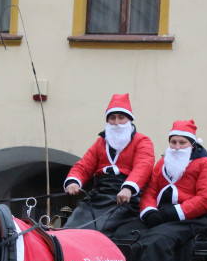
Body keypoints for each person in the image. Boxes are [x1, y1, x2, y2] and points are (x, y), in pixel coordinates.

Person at [114, 120, 207, 261]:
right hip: (164, 216)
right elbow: (151, 191)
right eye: (174, 142)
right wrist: (149, 212)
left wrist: (175, 212)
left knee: (156, 241)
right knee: (123, 234)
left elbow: (206, 200)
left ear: (193, 144)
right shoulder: (163, 163)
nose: (177, 147)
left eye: (182, 143)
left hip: (196, 219)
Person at [63, 94, 155, 235]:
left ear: (129, 119)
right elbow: (83, 166)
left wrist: (128, 188)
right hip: (99, 195)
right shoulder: (100, 142)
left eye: (121, 117)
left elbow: (143, 167)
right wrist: (74, 181)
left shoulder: (142, 141)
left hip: (126, 199)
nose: (116, 122)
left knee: (96, 232)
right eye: (112, 118)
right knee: (69, 229)